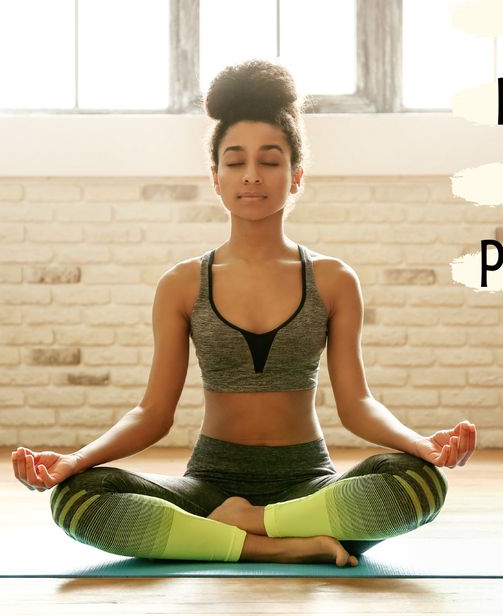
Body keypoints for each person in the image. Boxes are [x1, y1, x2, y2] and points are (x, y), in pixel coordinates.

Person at [10, 59, 477, 567]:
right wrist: (75, 461)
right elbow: (152, 414)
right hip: (211, 487)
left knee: (419, 484)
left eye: (270, 161)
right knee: (80, 497)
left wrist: (422, 446)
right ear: (215, 177)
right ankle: (279, 544)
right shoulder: (183, 284)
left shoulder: (334, 280)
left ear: (296, 176)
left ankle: (252, 528)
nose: (252, 175)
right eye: (235, 161)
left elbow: (357, 404)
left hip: (309, 486)